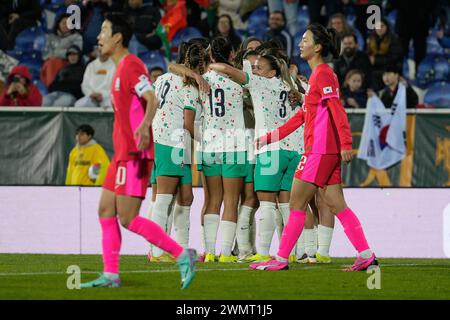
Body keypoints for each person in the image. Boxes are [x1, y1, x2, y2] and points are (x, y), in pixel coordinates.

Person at [80, 12, 198, 289]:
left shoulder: (132, 65)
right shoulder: (119, 69)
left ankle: (183, 255)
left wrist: (145, 126)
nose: (99, 37)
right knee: (105, 211)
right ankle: (111, 274)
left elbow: (151, 97)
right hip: (122, 154)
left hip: (135, 155)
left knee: (129, 218)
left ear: (118, 37)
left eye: (104, 31)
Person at [251, 23, 378, 271]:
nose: (300, 43)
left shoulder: (323, 74)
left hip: (319, 151)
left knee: (296, 204)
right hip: (323, 151)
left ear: (317, 47)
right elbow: (302, 117)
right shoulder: (316, 77)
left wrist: (346, 143)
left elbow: (336, 109)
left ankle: (280, 259)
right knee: (336, 203)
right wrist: (271, 137)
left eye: (305, 39)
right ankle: (365, 254)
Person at [206, 45, 305, 264]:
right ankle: (292, 252)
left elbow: (228, 70)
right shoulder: (290, 89)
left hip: (271, 150)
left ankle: (262, 252)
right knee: (287, 205)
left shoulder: (261, 83)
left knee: (267, 204)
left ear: (271, 72)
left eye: (259, 68)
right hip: (293, 150)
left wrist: (208, 65)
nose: (255, 71)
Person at [147, 42, 206, 262]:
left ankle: (180, 251)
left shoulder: (162, 78)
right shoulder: (188, 86)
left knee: (185, 197)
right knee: (164, 198)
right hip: (173, 142)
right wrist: (210, 140)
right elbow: (189, 124)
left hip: (166, 142)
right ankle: (157, 251)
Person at [41, 13, 83, 87]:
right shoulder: (51, 36)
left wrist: (56, 53)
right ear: (58, 24)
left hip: (68, 62)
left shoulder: (77, 37)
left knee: (52, 63)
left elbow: (75, 52)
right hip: (50, 62)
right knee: (49, 63)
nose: (66, 25)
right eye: (64, 23)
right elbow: (45, 53)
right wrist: (54, 55)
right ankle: (50, 86)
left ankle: (53, 87)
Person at [367, 18, 403, 91]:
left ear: (387, 27)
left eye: (382, 26)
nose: (380, 29)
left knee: (375, 75)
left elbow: (393, 58)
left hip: (391, 68)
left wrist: (376, 60)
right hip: (375, 68)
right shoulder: (371, 39)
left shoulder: (394, 40)